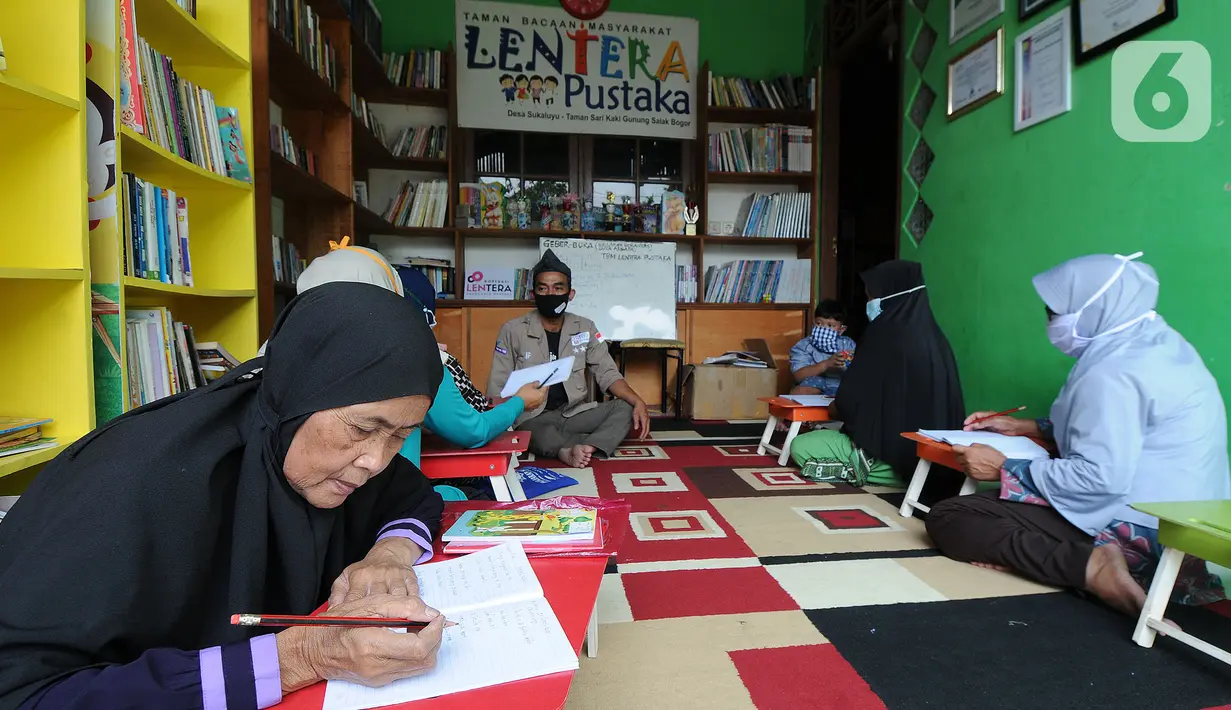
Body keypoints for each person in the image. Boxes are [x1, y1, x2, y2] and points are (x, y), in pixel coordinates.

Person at [0, 283, 450, 709]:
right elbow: (23, 692)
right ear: (298, 394)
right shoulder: (134, 489)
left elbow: (411, 498)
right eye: (363, 429)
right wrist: (301, 658)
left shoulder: (319, 452)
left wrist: (388, 555)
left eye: (399, 436)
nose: (376, 461)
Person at [927, 252, 1230, 617]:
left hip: (1143, 527)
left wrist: (1004, 467)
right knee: (1009, 509)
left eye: (1055, 313)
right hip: (1196, 524)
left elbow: (1099, 478)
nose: (1050, 322)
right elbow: (1125, 425)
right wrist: (1028, 427)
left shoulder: (1111, 372)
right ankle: (1063, 561)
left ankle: (1092, 568)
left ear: (1095, 309)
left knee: (952, 516)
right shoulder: (1157, 342)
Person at [789, 261, 965, 487]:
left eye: (871, 297)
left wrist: (837, 407)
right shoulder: (936, 340)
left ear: (890, 296)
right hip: (938, 457)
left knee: (802, 446)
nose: (869, 304)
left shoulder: (881, 337)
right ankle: (921, 473)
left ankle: (889, 473)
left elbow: (848, 406)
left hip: (893, 455)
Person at [487, 249, 650, 468]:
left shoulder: (585, 327)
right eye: (542, 288)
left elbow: (607, 372)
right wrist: (496, 429)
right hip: (532, 417)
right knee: (530, 432)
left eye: (558, 288)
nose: (550, 294)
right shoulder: (513, 330)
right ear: (533, 293)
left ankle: (584, 444)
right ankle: (571, 448)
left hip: (574, 413)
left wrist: (637, 400)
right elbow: (498, 384)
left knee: (625, 407)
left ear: (570, 294)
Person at [394, 266, 547, 471]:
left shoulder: (354, 350)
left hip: (356, 493)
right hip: (396, 496)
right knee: (467, 495)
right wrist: (520, 402)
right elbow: (473, 432)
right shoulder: (422, 364)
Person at [789, 299, 857, 396]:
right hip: (814, 386)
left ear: (841, 330)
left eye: (830, 326)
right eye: (819, 323)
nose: (823, 329)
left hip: (841, 387)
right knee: (800, 391)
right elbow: (798, 376)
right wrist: (826, 364)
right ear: (813, 323)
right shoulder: (803, 346)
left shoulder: (847, 344)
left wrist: (848, 361)